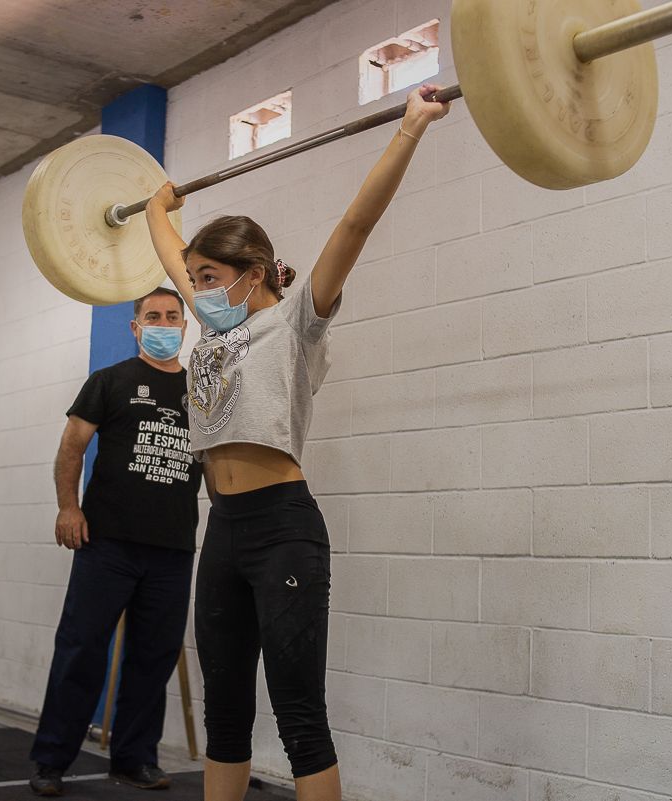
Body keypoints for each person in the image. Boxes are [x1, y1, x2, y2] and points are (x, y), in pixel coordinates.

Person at [144, 85, 450, 801]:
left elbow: (354, 225)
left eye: (210, 278)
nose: (197, 293)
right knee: (225, 714)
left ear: (254, 275)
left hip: (283, 530)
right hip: (222, 530)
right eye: (194, 281)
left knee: (299, 717)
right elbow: (167, 248)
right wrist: (160, 208)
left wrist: (409, 128)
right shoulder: (218, 327)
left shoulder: (295, 324)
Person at [29, 287, 204, 797]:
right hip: (106, 544)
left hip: (172, 550)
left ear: (185, 326)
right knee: (81, 650)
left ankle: (134, 759)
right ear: (136, 327)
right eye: (154, 316)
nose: (164, 323)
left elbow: (217, 463)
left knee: (153, 658)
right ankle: (50, 761)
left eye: (173, 316)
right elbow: (71, 447)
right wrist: (68, 507)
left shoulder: (201, 391)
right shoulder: (109, 382)